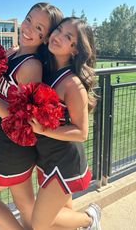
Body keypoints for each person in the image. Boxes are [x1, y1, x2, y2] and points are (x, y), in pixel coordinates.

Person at [0, 3, 63, 230]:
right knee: (29, 211)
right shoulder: (13, 52)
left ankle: (87, 219)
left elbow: (21, 119)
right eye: (28, 19)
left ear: (46, 37)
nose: (29, 28)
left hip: (12, 153)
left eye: (38, 27)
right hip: (14, 149)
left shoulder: (31, 66)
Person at [28, 17, 101, 230]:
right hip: (46, 157)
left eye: (67, 36)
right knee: (61, 216)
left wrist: (44, 129)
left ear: (75, 49)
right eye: (58, 30)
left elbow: (82, 132)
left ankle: (90, 219)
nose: (58, 37)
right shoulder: (46, 69)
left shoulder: (73, 84)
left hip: (64, 162)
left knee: (40, 222)